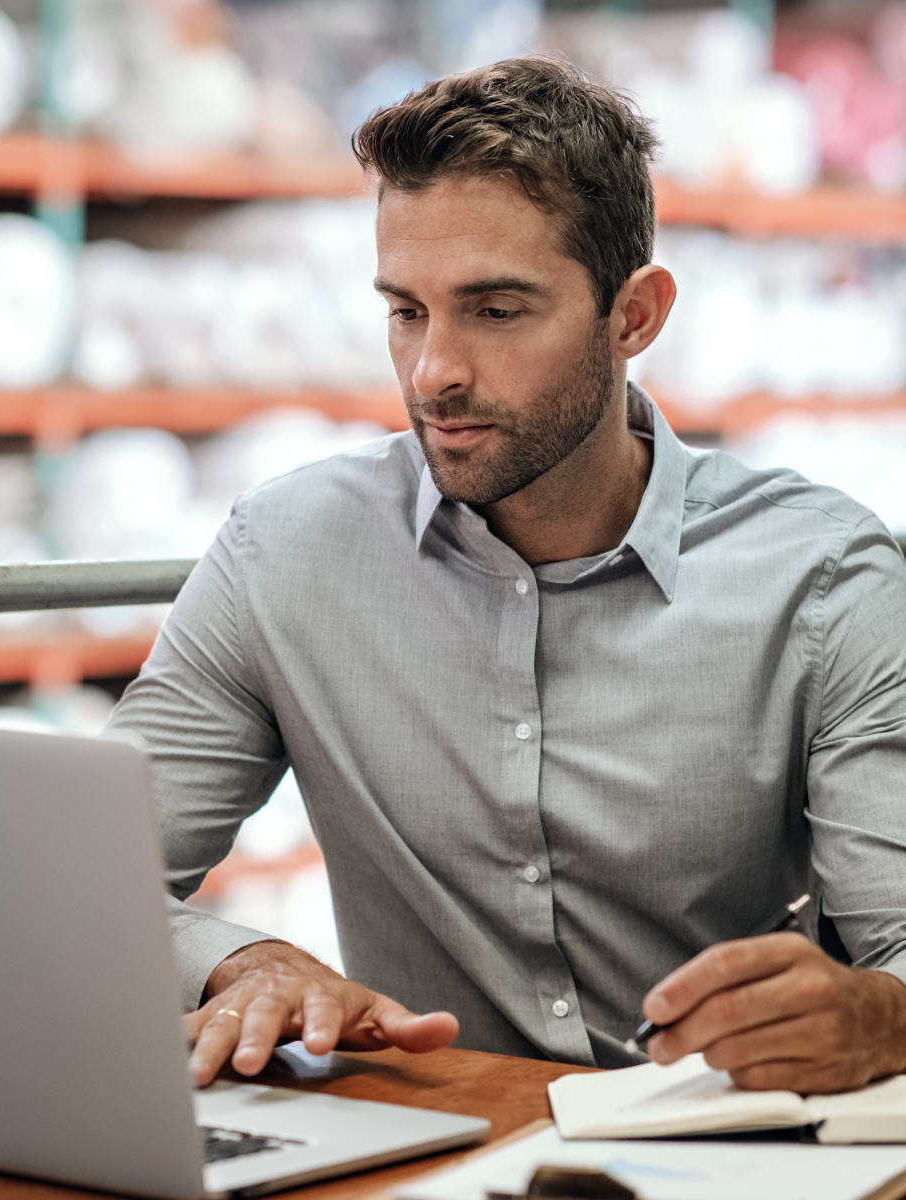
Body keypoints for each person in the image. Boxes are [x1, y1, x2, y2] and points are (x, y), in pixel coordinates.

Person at [108, 55, 906, 1095]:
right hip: (432, 1144)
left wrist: (881, 1021)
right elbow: (84, 882)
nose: (433, 369)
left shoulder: (823, 580)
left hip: (727, 1155)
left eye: (495, 310)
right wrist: (237, 963)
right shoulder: (285, 553)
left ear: (635, 316)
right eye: (406, 310)